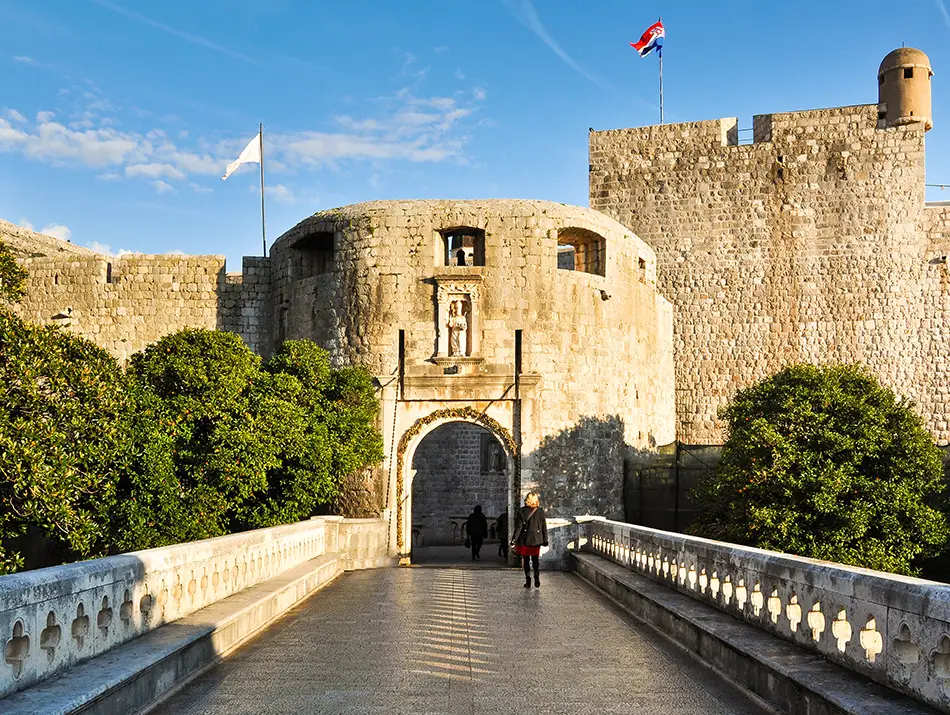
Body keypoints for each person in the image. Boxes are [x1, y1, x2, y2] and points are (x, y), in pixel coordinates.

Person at [511, 492, 548, 588]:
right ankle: (537, 578)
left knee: (526, 560)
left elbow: (518, 528)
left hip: (525, 539)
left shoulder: (522, 511)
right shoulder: (540, 512)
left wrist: (513, 540)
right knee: (535, 560)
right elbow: (544, 527)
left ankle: (528, 581)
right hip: (536, 540)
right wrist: (545, 540)